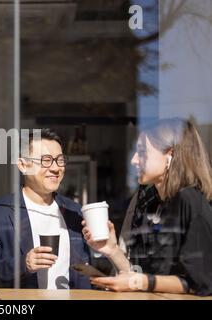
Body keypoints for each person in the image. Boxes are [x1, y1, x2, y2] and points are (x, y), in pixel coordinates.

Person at [82, 118, 212, 296]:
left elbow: (201, 283)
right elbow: (145, 277)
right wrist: (111, 250)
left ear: (170, 155)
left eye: (142, 152)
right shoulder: (154, 204)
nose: (134, 160)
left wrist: (138, 282)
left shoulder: (189, 200)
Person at [0, 128, 91, 289]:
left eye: (60, 160)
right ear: (23, 165)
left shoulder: (75, 212)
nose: (55, 168)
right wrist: (23, 264)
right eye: (45, 160)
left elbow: (84, 273)